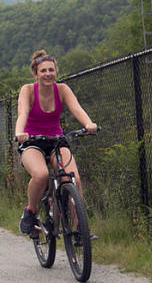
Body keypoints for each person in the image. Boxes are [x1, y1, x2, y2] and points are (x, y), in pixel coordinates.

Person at [14, 50, 97, 235]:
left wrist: (88, 124)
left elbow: (77, 109)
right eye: (43, 71)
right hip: (32, 141)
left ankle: (80, 228)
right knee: (41, 175)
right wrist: (19, 132)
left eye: (51, 70)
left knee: (73, 178)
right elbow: (22, 113)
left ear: (56, 71)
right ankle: (30, 211)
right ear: (35, 74)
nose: (48, 74)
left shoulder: (62, 89)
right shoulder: (28, 90)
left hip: (56, 140)